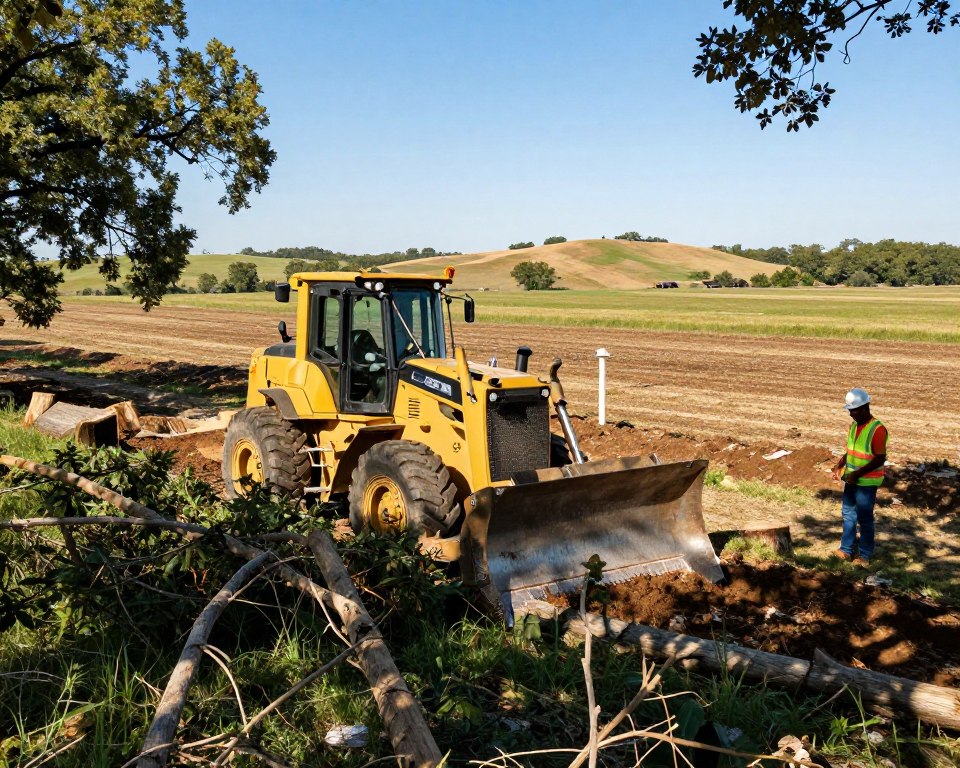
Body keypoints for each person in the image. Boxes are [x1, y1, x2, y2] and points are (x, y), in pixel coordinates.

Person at [832, 388, 888, 565]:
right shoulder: (854, 426)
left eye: (853, 410)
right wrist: (840, 464)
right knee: (848, 514)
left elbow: (880, 458)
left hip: (866, 482)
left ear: (865, 407)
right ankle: (846, 550)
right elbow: (852, 450)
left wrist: (857, 473)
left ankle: (864, 555)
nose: (851, 414)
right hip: (852, 479)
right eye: (849, 410)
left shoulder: (877, 430)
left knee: (864, 518)